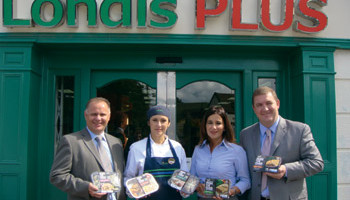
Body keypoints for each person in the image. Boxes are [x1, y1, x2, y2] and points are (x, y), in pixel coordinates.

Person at [239, 86, 324, 200]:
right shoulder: (246, 134)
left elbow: (316, 163)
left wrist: (286, 170)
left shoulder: (299, 130)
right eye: (259, 105)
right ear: (254, 109)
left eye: (269, 103)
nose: (265, 109)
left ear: (277, 103)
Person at [50, 97, 126, 200]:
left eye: (102, 114)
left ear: (109, 117)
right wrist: (86, 188)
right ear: (86, 115)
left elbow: (121, 174)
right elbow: (57, 176)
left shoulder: (116, 142)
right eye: (94, 114)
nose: (98, 118)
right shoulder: (71, 141)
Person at [124, 105, 188, 200]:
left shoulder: (178, 148)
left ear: (169, 123)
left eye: (163, 120)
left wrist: (185, 189)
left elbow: (185, 178)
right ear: (148, 122)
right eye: (154, 120)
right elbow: (128, 178)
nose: (159, 124)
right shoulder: (136, 148)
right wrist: (136, 190)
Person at [190, 105, 251, 200]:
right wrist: (197, 185)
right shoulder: (198, 150)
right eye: (209, 123)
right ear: (205, 126)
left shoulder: (236, 151)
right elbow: (192, 178)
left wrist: (230, 192)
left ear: (224, 127)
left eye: (218, 123)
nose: (213, 127)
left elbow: (245, 181)